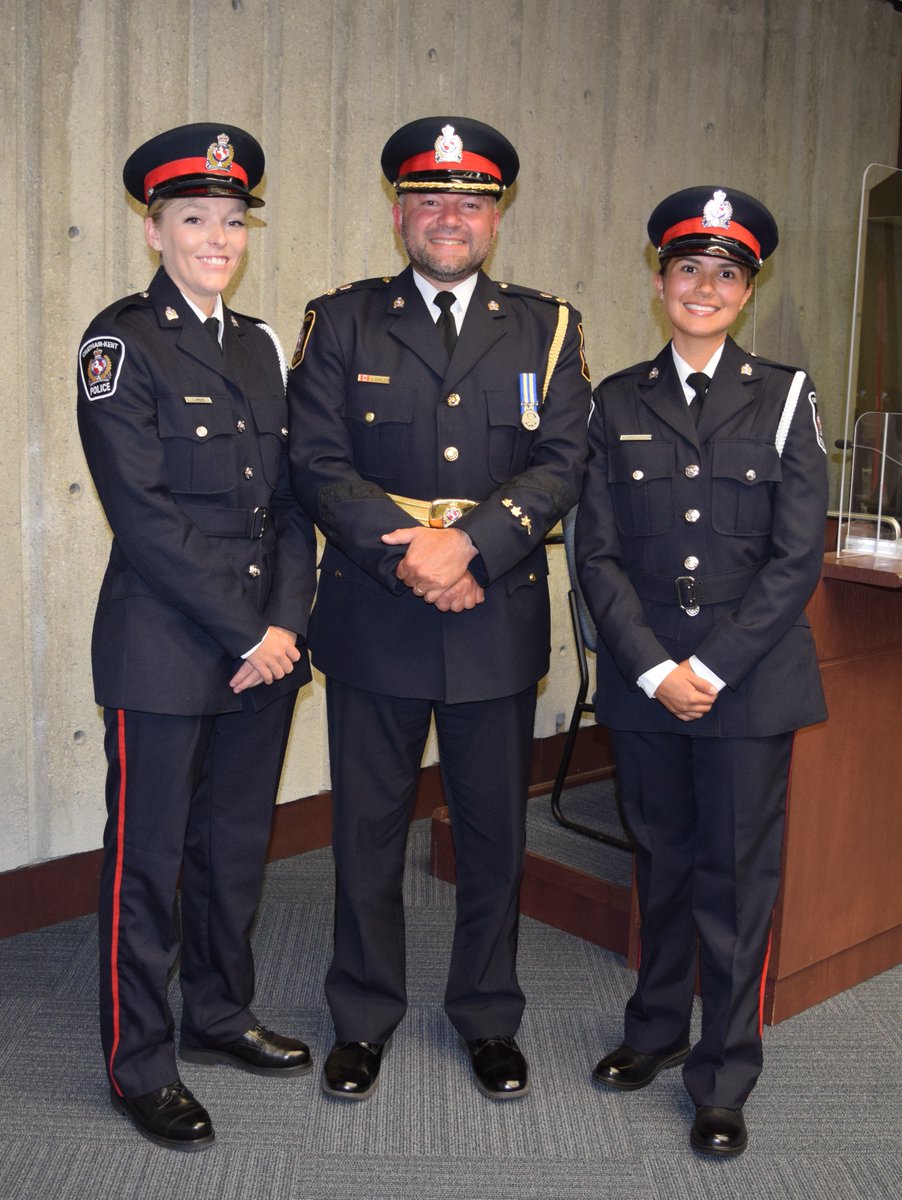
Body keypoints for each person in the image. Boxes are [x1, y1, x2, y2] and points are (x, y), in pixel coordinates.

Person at [288, 116, 590, 1101]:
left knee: (496, 833)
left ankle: (486, 1016)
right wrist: (415, 553)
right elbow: (315, 461)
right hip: (378, 616)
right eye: (428, 200)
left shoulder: (546, 327)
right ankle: (363, 1016)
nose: (448, 218)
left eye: (469, 202)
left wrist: (476, 545)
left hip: (494, 612)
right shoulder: (341, 322)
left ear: (493, 219)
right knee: (367, 831)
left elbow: (564, 460)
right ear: (397, 214)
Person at [77, 123, 317, 1151]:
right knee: (148, 862)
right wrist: (246, 630)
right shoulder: (120, 343)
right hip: (167, 647)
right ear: (153, 229)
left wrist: (287, 625)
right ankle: (140, 1065)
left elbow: (293, 502)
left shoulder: (261, 343)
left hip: (263, 644)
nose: (216, 238)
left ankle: (218, 1015)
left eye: (230, 221)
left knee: (231, 852)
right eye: (192, 219)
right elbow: (143, 516)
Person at [575, 186, 828, 1156]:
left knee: (732, 877)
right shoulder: (613, 402)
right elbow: (593, 555)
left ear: (744, 290)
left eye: (724, 273)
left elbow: (792, 559)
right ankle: (651, 1030)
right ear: (658, 281)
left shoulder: (784, 398)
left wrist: (708, 668)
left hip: (743, 687)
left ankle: (721, 1073)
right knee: (661, 861)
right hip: (647, 690)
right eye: (687, 269)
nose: (703, 287)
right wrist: (648, 669)